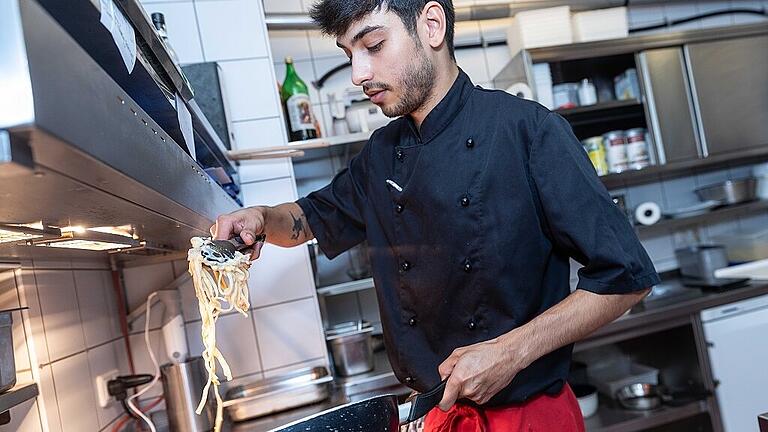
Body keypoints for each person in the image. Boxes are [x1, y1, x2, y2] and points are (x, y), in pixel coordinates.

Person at [211, 1, 660, 430]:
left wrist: (510, 352)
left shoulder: (527, 130)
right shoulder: (382, 155)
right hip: (438, 417)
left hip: (528, 418)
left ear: (431, 25)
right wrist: (261, 218)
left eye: (373, 46)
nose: (357, 74)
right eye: (350, 54)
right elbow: (309, 218)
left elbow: (626, 279)